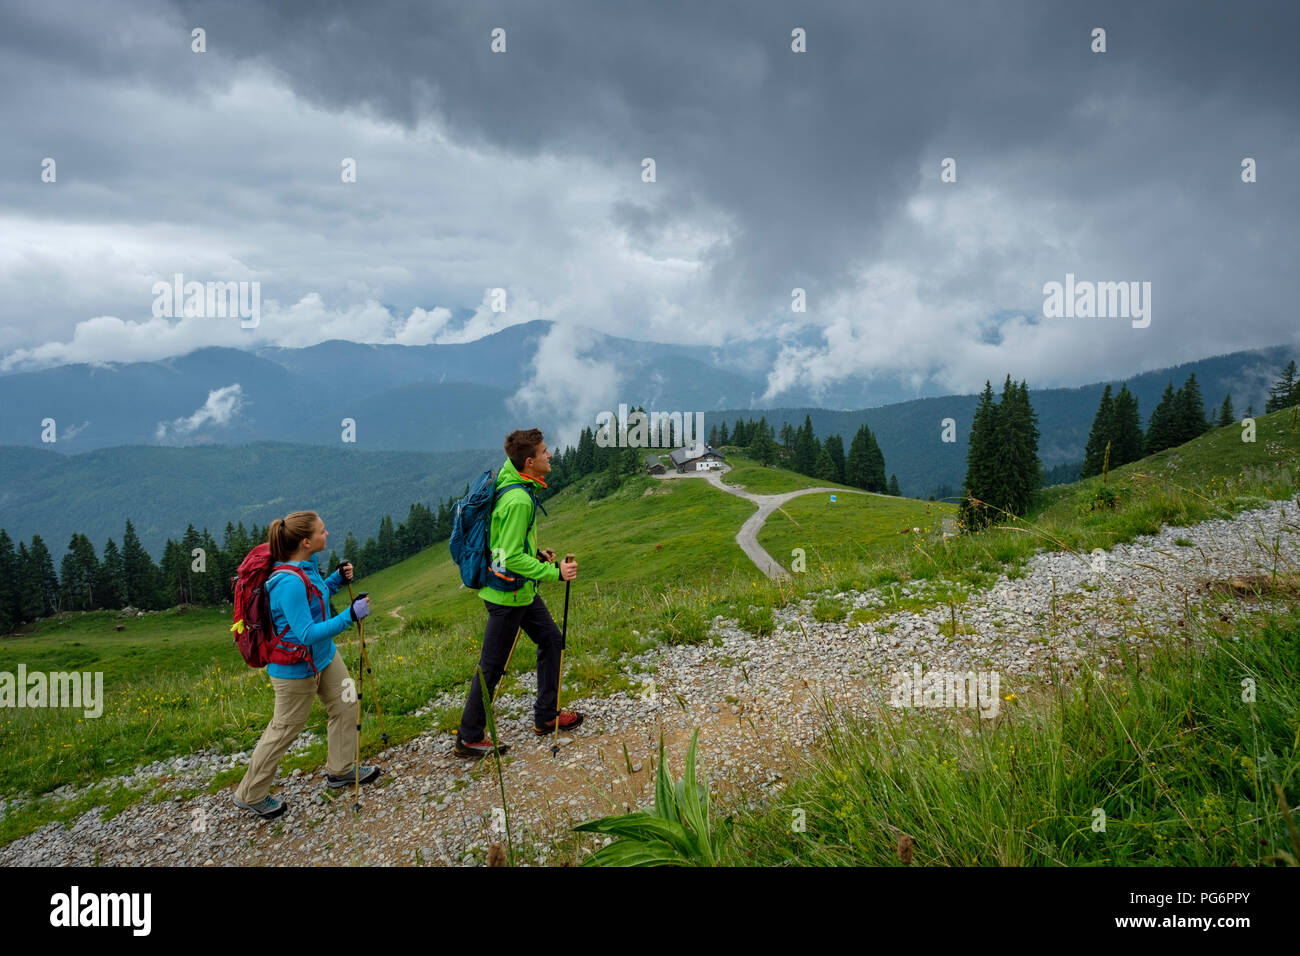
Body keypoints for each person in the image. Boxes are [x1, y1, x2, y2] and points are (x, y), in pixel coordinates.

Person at [233, 511, 382, 819]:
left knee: (346, 702)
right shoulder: (287, 583)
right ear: (305, 541)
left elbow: (315, 596)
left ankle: (340, 769)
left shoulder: (307, 565)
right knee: (284, 730)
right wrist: (349, 617)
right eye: (322, 531)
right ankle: (250, 794)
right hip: (295, 668)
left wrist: (335, 580)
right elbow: (305, 633)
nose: (326, 534)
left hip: (323, 657)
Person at [455, 428, 583, 758]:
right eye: (544, 452)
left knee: (552, 640)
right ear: (529, 461)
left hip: (518, 590)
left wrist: (535, 558)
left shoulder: (514, 484)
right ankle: (469, 737)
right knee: (492, 667)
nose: (550, 455)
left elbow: (504, 548)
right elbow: (509, 556)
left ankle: (546, 715)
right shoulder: (518, 499)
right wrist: (554, 572)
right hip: (507, 597)